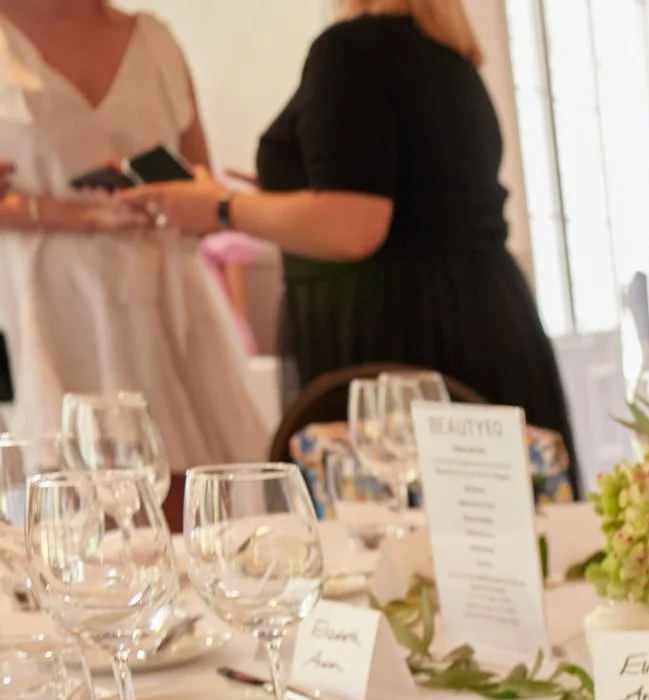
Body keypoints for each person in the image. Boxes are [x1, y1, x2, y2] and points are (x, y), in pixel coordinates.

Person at [131, 0, 572, 457]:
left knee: (392, 516)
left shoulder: (348, 52)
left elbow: (354, 227)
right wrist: (287, 193)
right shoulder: (451, 59)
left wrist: (221, 208)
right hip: (481, 320)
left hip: (393, 336)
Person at [0, 1, 265, 472]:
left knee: (195, 483)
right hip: (53, 304)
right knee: (67, 496)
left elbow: (199, 181)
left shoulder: (154, 42)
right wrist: (79, 217)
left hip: (163, 299)